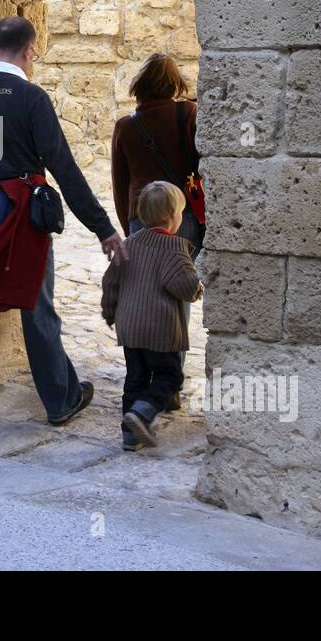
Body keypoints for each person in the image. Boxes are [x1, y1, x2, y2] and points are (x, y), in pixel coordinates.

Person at [0, 16, 125, 466]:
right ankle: (60, 400)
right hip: (22, 223)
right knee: (38, 313)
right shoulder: (32, 98)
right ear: (29, 51)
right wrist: (104, 228)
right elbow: (65, 168)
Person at [100, 181, 203, 451]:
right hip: (161, 329)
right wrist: (198, 286)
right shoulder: (175, 249)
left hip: (130, 327)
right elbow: (184, 287)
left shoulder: (129, 244)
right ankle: (144, 412)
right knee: (170, 377)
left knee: (136, 377)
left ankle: (130, 435)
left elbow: (111, 282)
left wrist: (110, 313)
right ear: (173, 218)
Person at [110, 53, 202, 250]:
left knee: (148, 277)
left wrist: (129, 228)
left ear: (140, 85)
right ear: (174, 84)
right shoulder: (187, 113)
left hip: (142, 218)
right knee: (184, 275)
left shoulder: (125, 127)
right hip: (181, 212)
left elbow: (120, 186)